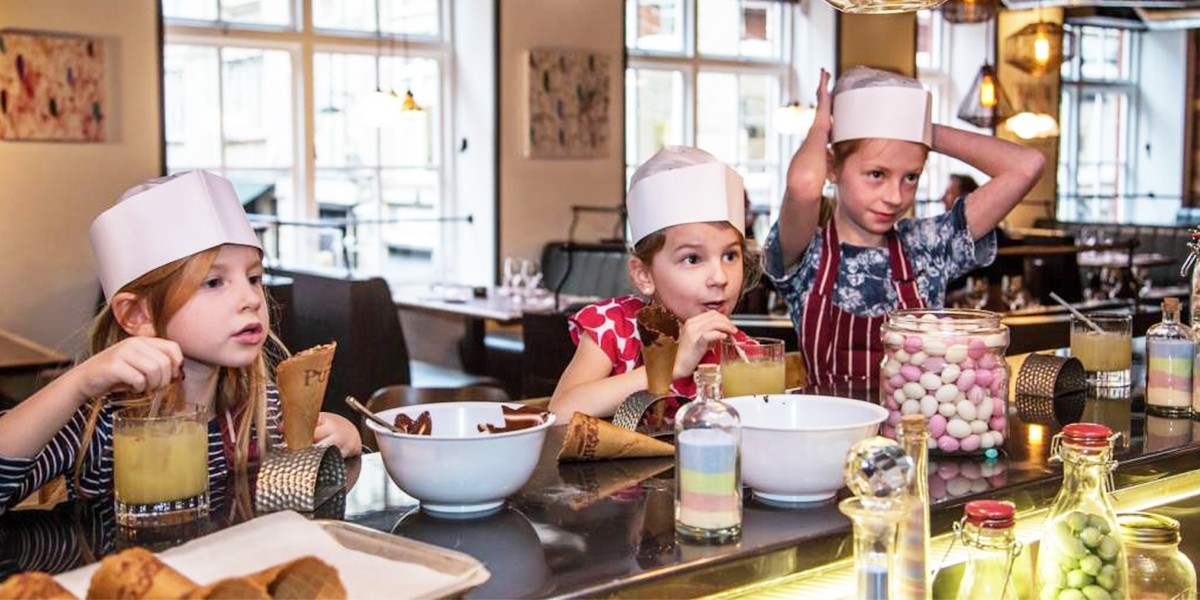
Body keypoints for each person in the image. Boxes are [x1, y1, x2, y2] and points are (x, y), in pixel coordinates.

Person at [0, 171, 361, 513]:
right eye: (214, 282)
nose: (251, 299)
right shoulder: (101, 420)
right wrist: (78, 384)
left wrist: (341, 440)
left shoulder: (263, 407)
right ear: (138, 315)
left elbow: (296, 492)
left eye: (253, 277)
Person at [765, 67, 1044, 385]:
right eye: (877, 174)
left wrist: (920, 129)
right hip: (828, 432)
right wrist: (821, 122)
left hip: (915, 434)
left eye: (910, 176)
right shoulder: (802, 254)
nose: (895, 197)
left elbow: (1027, 166)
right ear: (831, 167)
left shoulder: (926, 246)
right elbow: (803, 185)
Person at [549, 147, 760, 421]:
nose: (720, 277)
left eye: (730, 255)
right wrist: (670, 366)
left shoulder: (741, 352)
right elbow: (560, 411)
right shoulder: (615, 328)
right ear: (644, 275)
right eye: (693, 258)